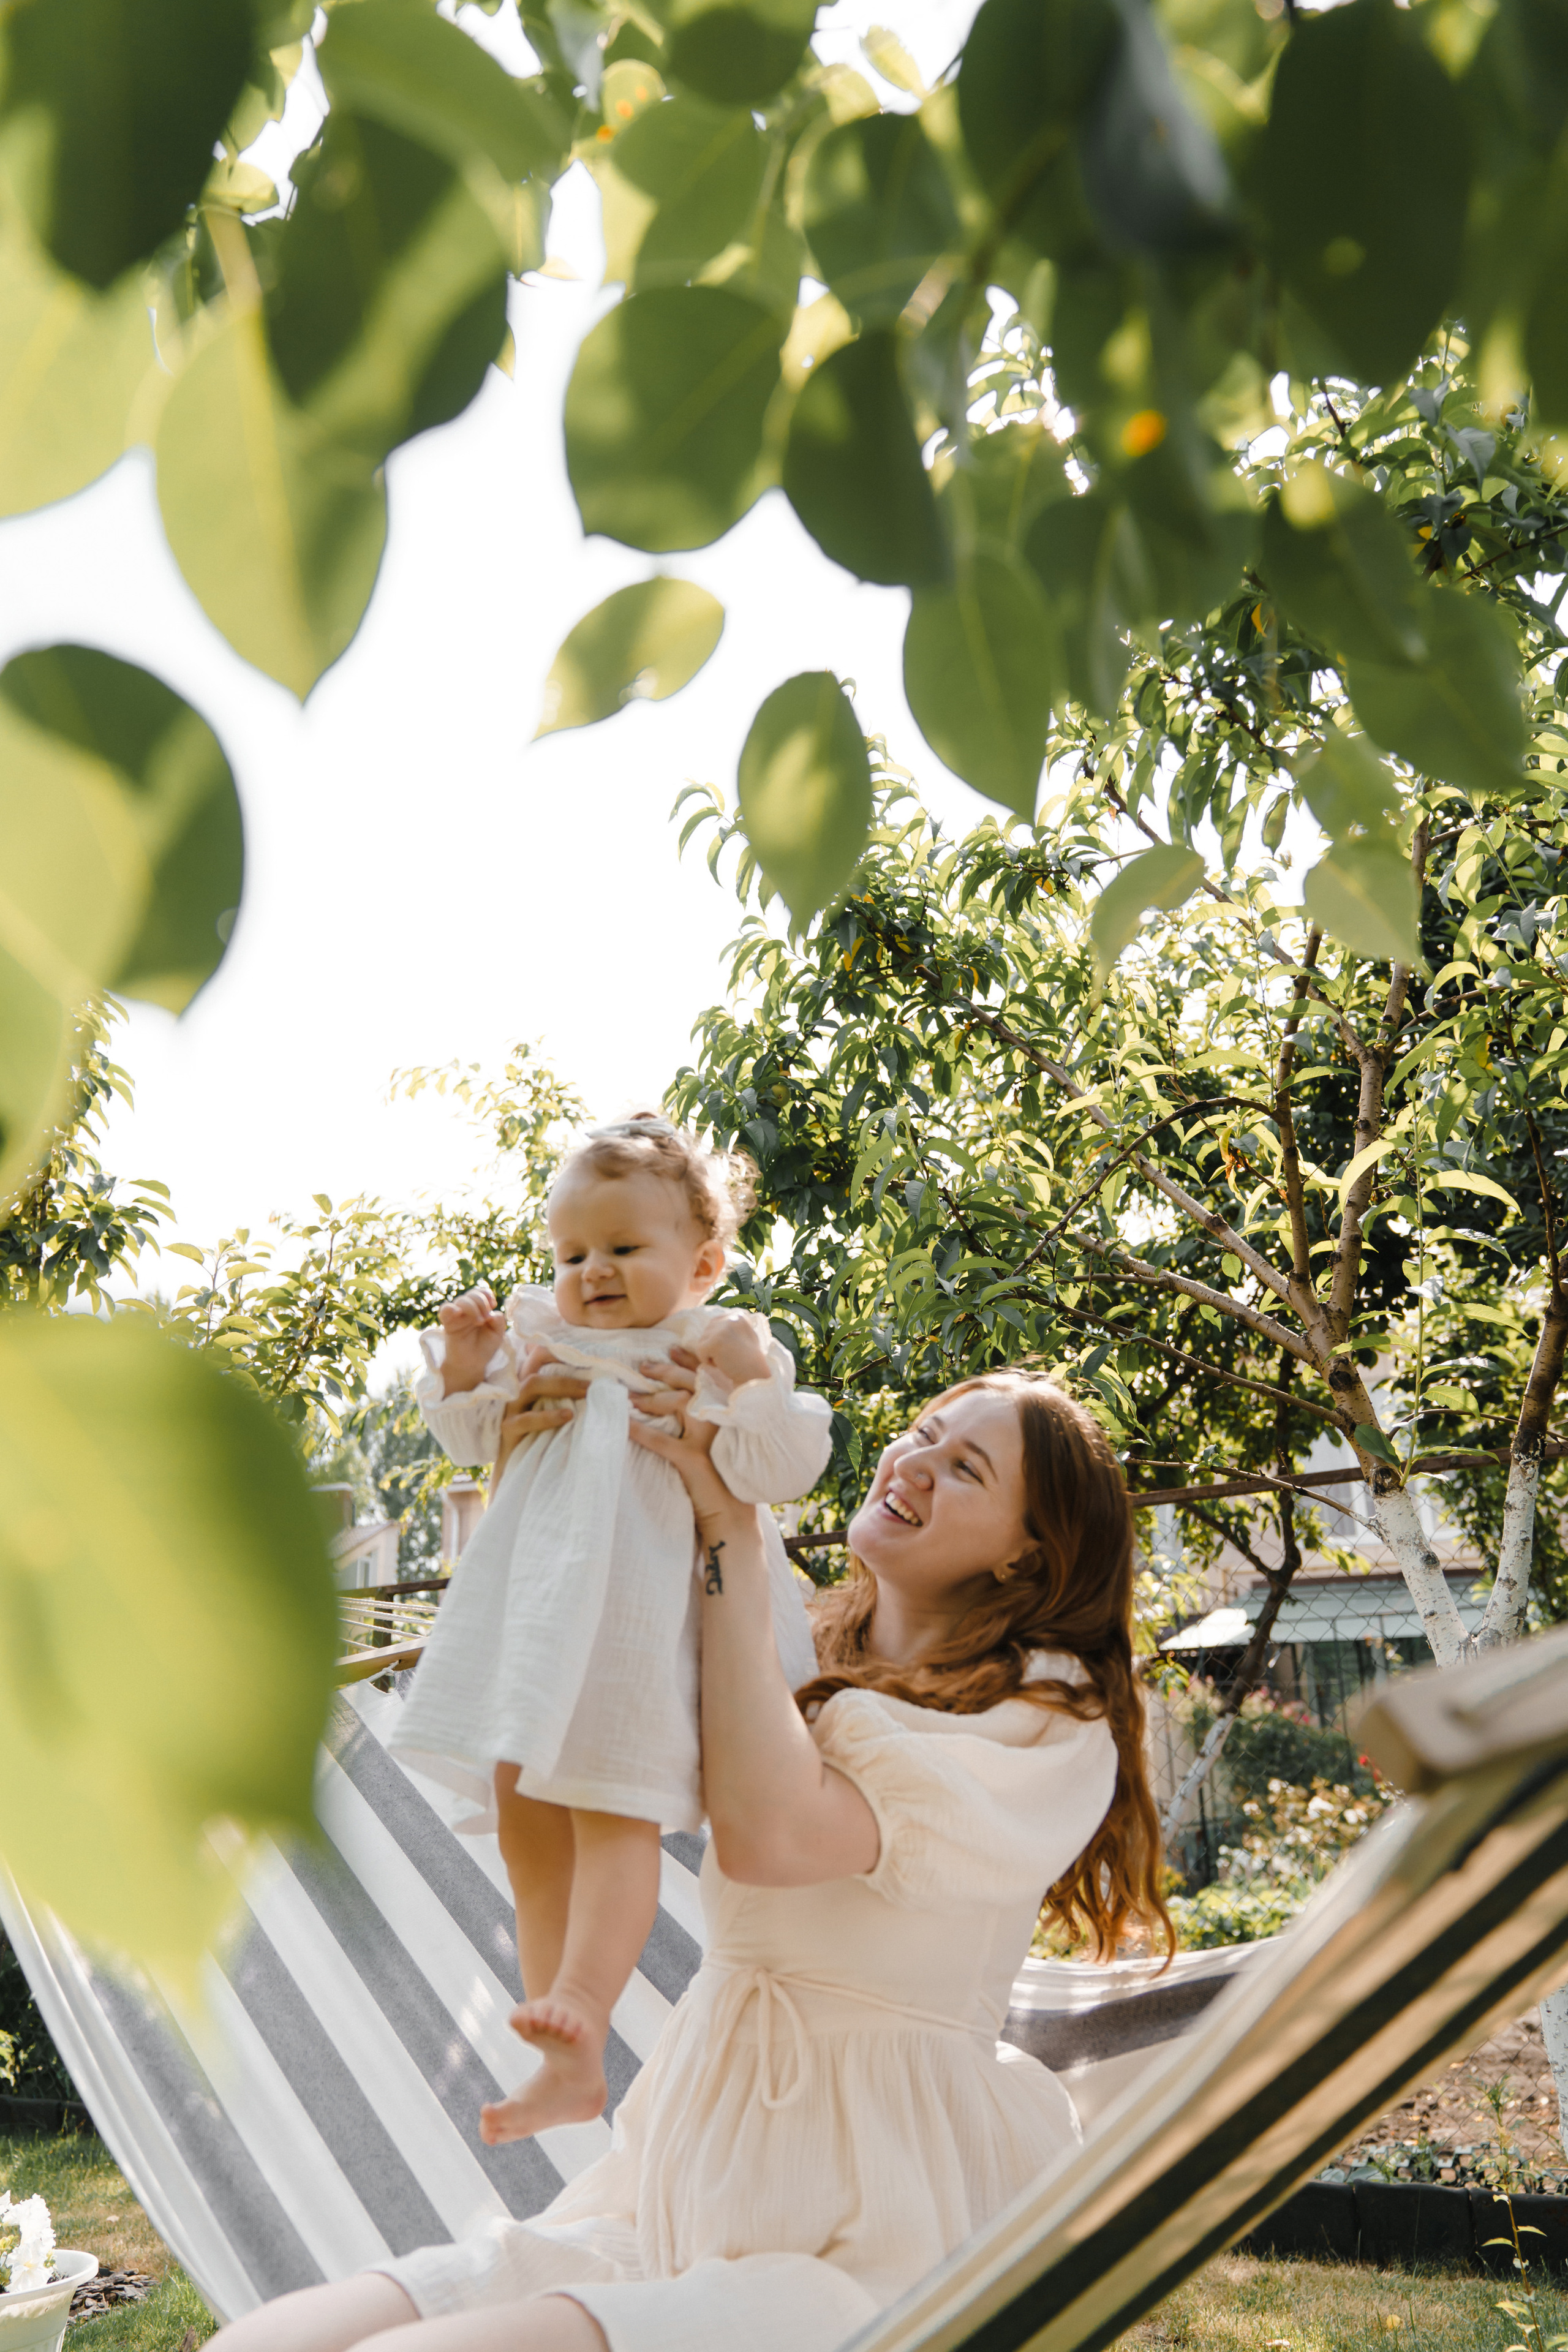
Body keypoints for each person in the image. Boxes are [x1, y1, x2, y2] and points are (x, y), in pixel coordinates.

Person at [215, 1365, 1171, 2352]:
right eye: (923, 1432)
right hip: (679, 2184)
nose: (914, 1463)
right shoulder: (796, 1641)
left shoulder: (1052, 1721)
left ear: (1030, 1552)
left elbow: (772, 1835)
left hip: (873, 2230)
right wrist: (538, 1452)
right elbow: (582, 1642)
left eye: (964, 1466)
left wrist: (725, 1523)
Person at [391, 1114, 830, 2143]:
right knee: (520, 1805)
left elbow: (780, 1470)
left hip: (642, 1625)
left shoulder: (714, 1342)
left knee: (608, 1803)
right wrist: (465, 1368)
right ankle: (561, 2055)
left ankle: (583, 2010)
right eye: (574, 1250)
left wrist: (750, 1384)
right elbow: (466, 1437)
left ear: (705, 1263)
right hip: (540, 1620)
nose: (593, 1271)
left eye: (624, 1249)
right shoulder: (543, 1334)